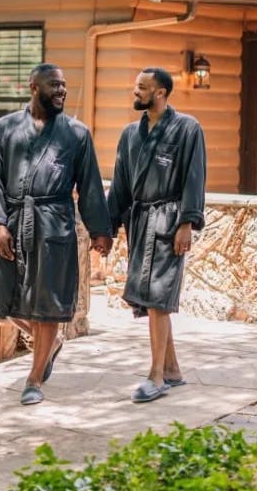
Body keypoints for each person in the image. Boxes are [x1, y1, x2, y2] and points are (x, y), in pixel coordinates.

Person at [0, 63, 114, 405]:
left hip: (55, 224)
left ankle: (35, 378)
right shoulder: (4, 129)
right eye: (54, 85)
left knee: (48, 305)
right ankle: (51, 342)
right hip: (13, 220)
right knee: (6, 300)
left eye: (64, 86)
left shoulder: (76, 134)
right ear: (33, 87)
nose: (61, 91)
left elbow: (89, 186)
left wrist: (100, 230)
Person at [107, 67, 207, 403]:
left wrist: (186, 222)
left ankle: (156, 376)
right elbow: (120, 185)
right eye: (135, 88)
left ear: (161, 92)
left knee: (157, 298)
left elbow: (195, 178)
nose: (135, 93)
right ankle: (173, 370)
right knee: (150, 299)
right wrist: (106, 229)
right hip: (140, 221)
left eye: (142, 88)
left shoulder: (187, 129)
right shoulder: (130, 135)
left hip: (169, 221)